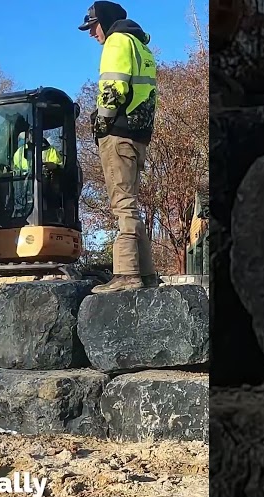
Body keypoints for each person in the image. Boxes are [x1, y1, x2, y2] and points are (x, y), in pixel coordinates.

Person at [80, 1, 158, 293]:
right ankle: (147, 274)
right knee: (132, 206)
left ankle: (126, 274)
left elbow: (112, 88)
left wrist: (102, 123)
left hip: (119, 134)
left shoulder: (116, 42)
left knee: (122, 206)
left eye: (92, 26)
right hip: (138, 136)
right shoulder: (141, 47)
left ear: (106, 21)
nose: (91, 34)